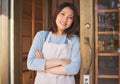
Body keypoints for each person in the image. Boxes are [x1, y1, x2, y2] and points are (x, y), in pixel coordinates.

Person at [27, 2, 81, 84]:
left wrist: (43, 66)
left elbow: (74, 68)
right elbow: (31, 63)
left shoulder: (74, 40)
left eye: (70, 17)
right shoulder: (42, 36)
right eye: (62, 14)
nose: (65, 19)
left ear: (73, 22)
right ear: (56, 14)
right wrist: (61, 62)